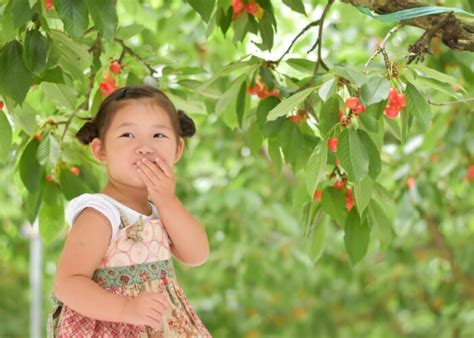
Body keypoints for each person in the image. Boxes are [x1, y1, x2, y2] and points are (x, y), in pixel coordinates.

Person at [47, 84, 211, 337]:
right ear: (100, 150)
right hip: (114, 328)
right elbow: (67, 284)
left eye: (158, 136)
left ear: (177, 149)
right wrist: (126, 309)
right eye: (127, 135)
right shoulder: (101, 213)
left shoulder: (161, 210)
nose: (145, 147)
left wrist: (168, 202)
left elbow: (196, 254)